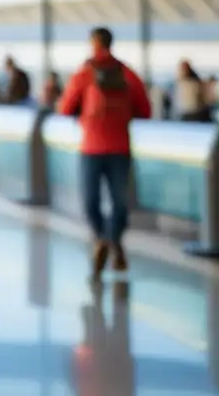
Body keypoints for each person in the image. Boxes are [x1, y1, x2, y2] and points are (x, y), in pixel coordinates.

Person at [57, 27, 151, 279]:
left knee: (90, 203)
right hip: (120, 147)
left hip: (91, 147)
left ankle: (102, 241)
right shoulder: (128, 73)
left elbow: (65, 108)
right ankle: (113, 243)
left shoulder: (84, 73)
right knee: (120, 205)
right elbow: (145, 109)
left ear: (93, 43)